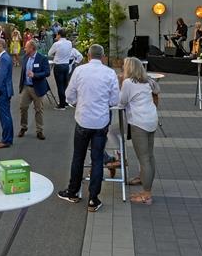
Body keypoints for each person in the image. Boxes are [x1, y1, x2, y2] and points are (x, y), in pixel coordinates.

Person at [57, 45, 120, 213]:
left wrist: (79, 103)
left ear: (88, 55)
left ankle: (73, 192)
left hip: (83, 120)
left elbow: (69, 95)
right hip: (101, 122)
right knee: (97, 159)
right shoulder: (110, 73)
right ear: (103, 56)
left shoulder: (79, 71)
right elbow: (114, 100)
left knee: (78, 156)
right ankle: (93, 199)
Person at [118, 59, 160, 205]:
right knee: (149, 156)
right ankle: (143, 178)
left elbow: (121, 102)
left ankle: (146, 194)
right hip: (151, 119)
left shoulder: (128, 83)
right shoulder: (148, 81)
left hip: (139, 122)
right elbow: (156, 93)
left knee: (144, 158)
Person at [16, 39, 50, 141]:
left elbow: (47, 72)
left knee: (38, 109)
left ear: (32, 48)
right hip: (26, 87)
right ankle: (23, 127)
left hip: (37, 88)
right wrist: (21, 86)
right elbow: (23, 73)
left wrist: (35, 75)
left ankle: (39, 130)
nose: (24, 48)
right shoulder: (25, 57)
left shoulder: (42, 58)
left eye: (26, 47)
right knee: (23, 107)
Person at [48, 30, 74, 110]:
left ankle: (62, 105)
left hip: (58, 65)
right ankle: (65, 102)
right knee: (65, 84)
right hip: (66, 65)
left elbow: (49, 53)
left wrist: (56, 54)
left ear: (59, 35)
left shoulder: (57, 44)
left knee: (60, 85)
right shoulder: (69, 43)